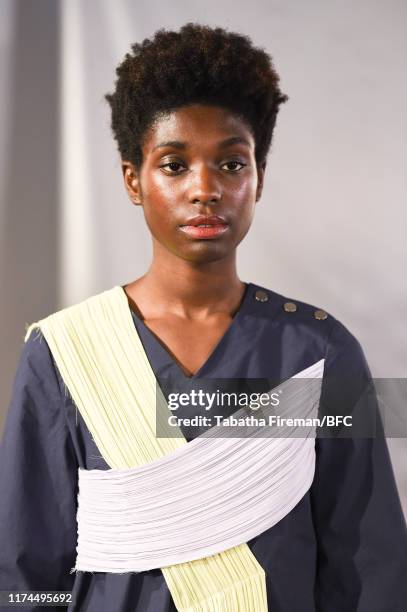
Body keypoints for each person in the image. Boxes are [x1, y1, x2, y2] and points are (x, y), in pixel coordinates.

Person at [0, 22, 406, 612]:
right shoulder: (64, 353)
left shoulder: (319, 351)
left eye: (232, 165)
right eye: (173, 164)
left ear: (259, 179)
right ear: (133, 180)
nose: (205, 189)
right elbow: (26, 567)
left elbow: (368, 566)